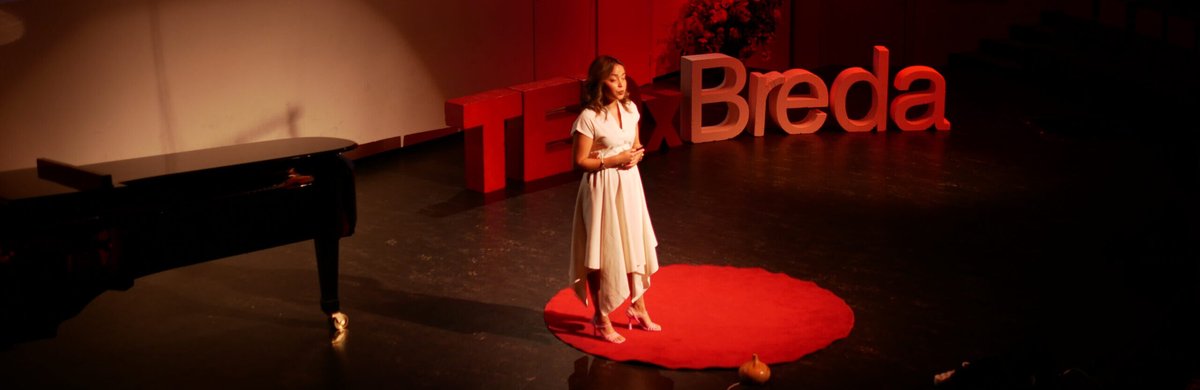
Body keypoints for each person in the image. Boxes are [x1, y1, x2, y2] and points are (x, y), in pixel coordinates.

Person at [569, 55, 661, 344]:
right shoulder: (588, 118)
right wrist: (613, 160)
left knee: (634, 243)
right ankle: (601, 317)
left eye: (623, 77)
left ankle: (638, 305)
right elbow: (580, 161)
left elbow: (633, 145)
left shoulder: (631, 109)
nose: (621, 84)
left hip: (629, 184)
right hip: (601, 188)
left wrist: (636, 155)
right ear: (599, 83)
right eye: (613, 78)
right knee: (602, 250)